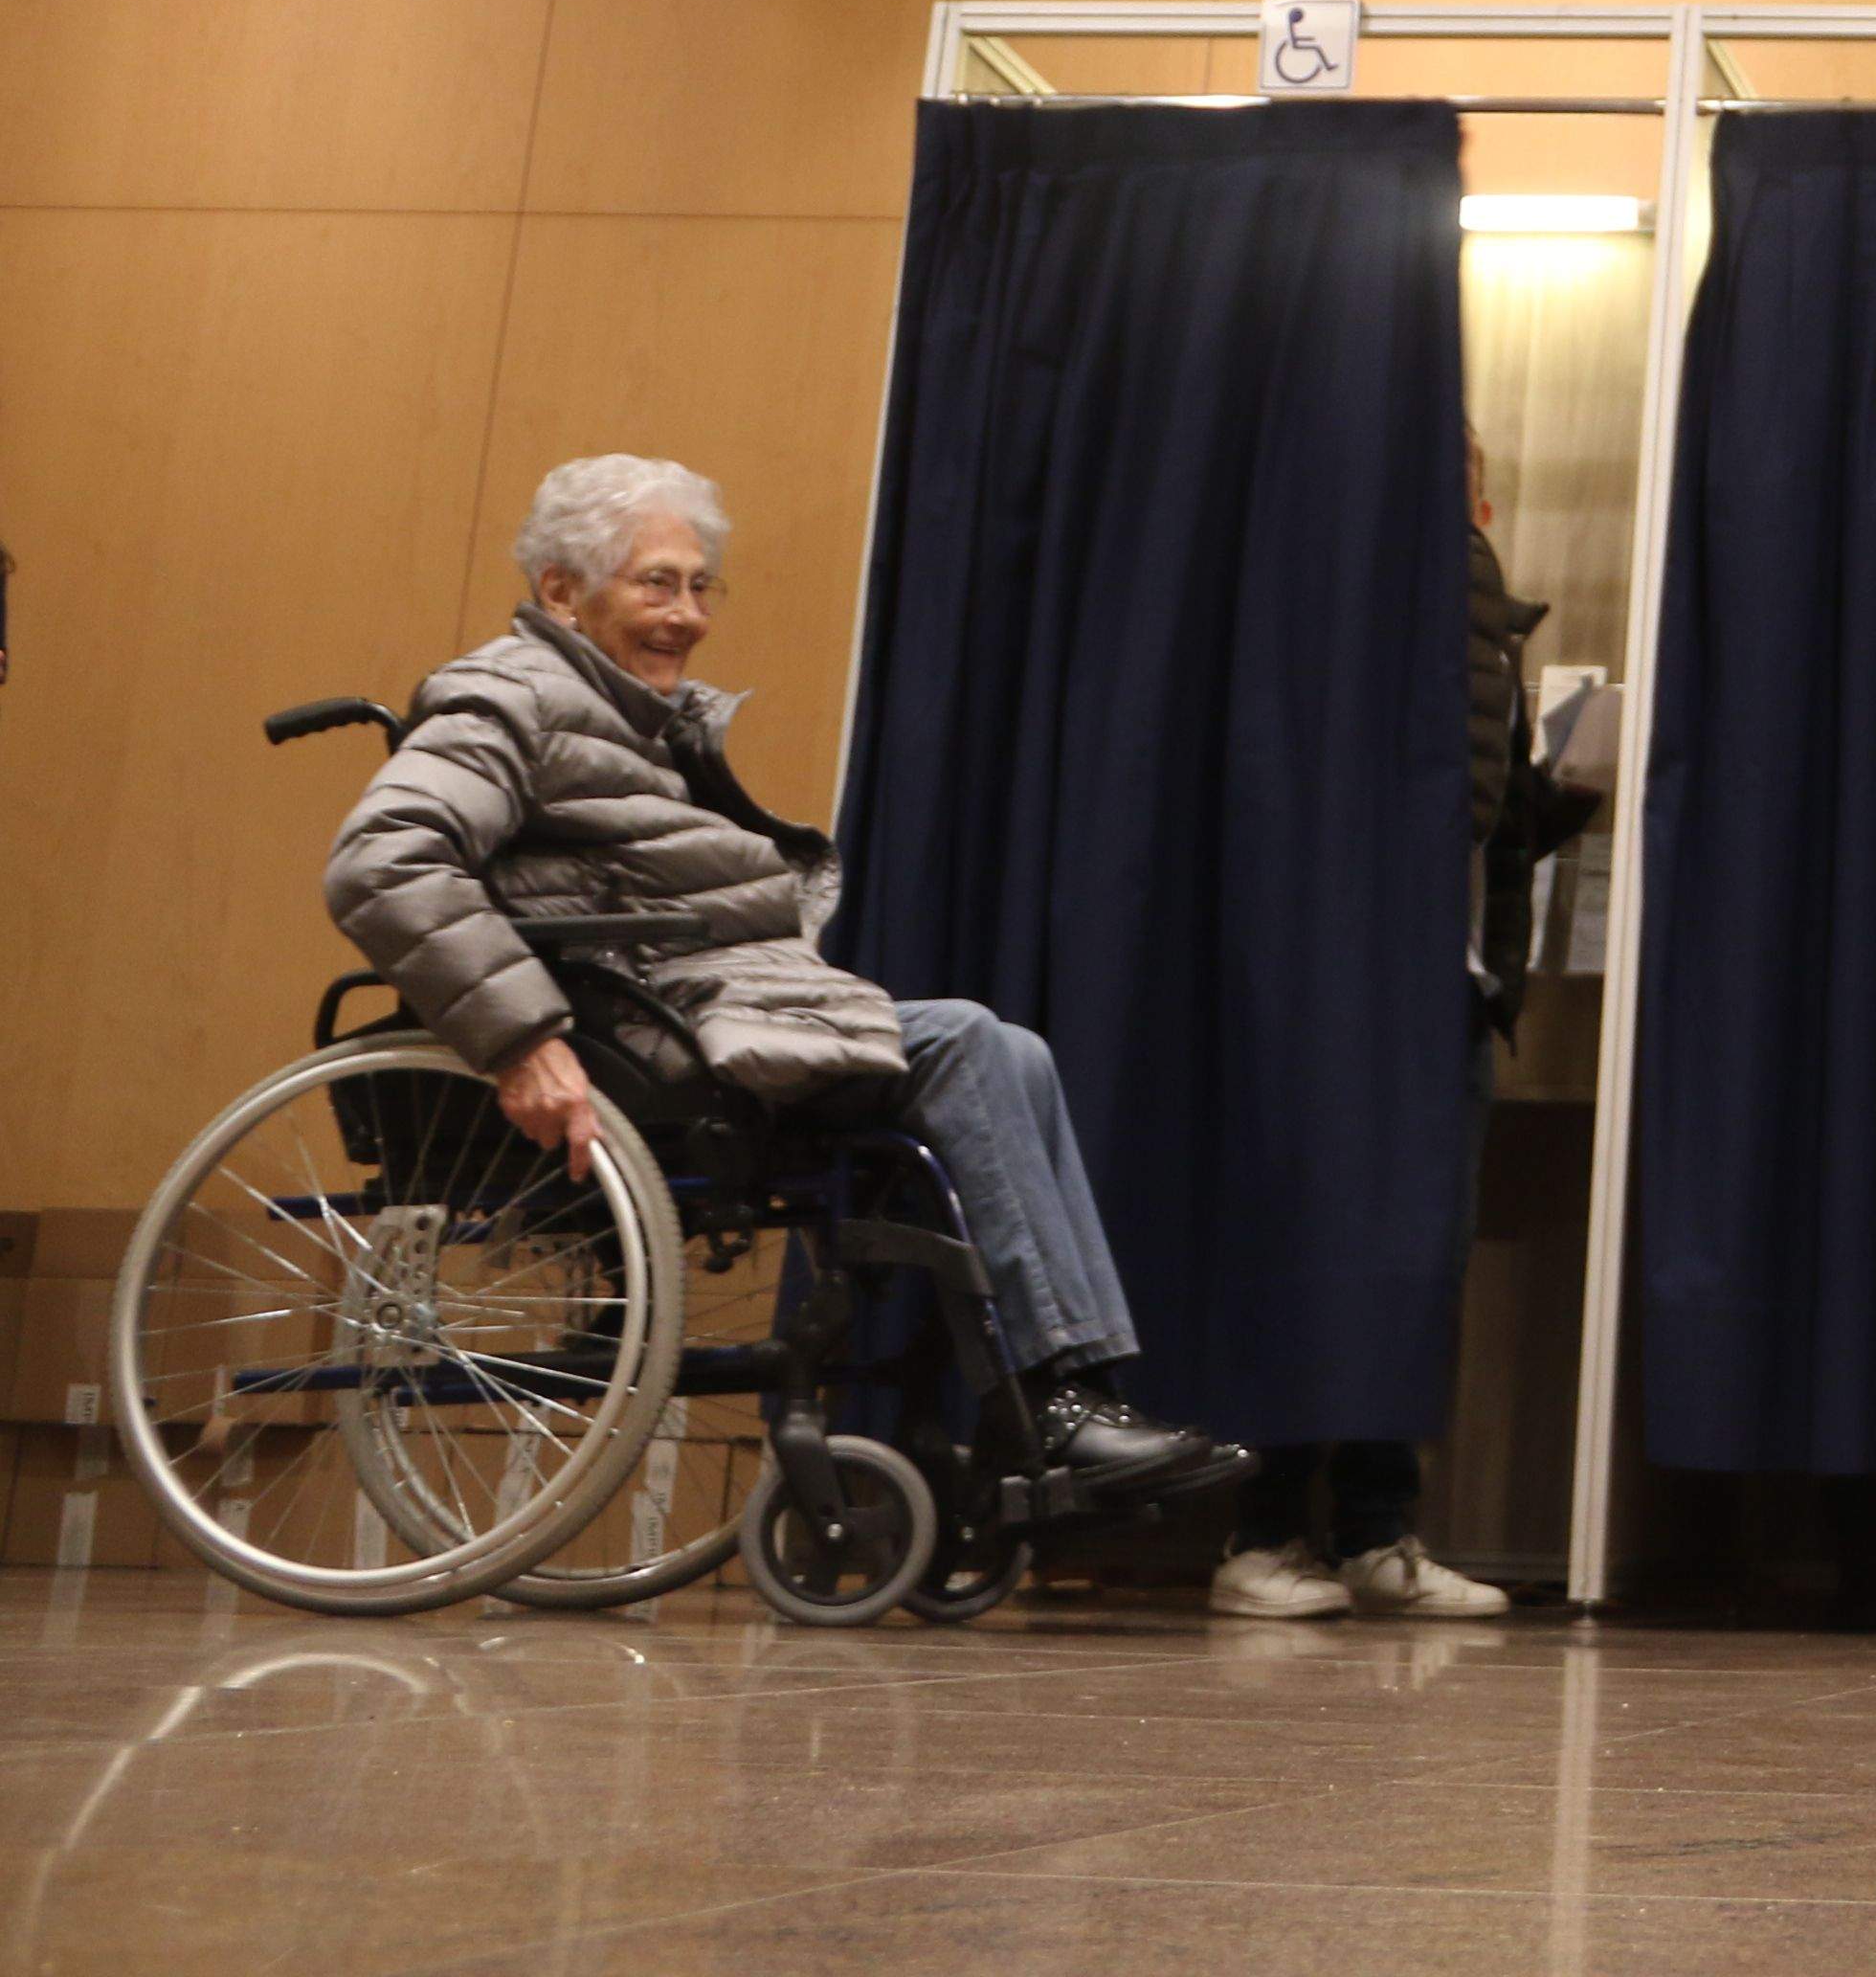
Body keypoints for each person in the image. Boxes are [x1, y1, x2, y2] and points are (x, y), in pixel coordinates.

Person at [324, 454, 1240, 1511]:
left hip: (680, 1015)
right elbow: (381, 861)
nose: (689, 615)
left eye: (701, 585)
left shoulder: (629, 715)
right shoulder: (508, 696)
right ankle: (1056, 1408)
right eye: (657, 583)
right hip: (635, 1037)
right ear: (561, 592)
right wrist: (522, 1040)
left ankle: (1053, 1403)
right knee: (976, 1046)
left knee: (1009, 1053)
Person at [1214, 428, 1590, 1622]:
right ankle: (1271, 1528)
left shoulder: (1454, 609)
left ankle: (1367, 1525)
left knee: (1407, 1263)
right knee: (1337, 1252)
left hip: (1447, 980)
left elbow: (1483, 809)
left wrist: (1561, 795)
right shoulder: (1432, 591)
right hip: (1388, 985)